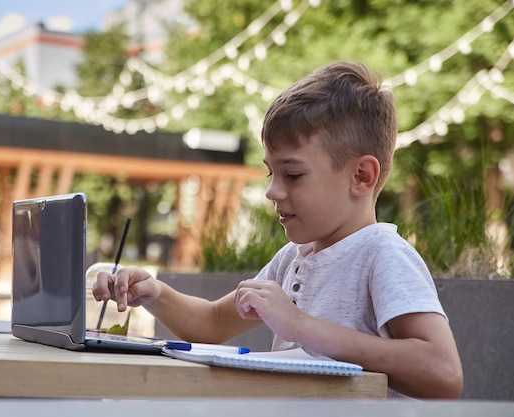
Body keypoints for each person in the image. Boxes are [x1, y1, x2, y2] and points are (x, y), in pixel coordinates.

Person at [92, 61, 463, 399]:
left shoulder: (382, 253)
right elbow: (210, 325)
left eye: (293, 174)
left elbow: (443, 374)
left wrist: (300, 324)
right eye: (271, 172)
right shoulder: (291, 259)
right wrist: (153, 292)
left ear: (361, 176)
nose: (272, 190)